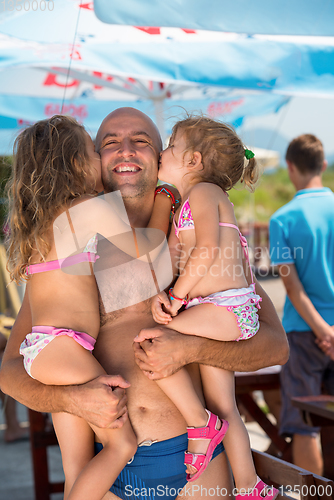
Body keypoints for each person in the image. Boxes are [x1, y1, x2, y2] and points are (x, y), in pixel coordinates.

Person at [0, 107, 288, 500]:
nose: (126, 150)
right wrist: (69, 399)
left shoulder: (200, 234)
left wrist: (192, 348)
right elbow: (12, 370)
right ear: (90, 161)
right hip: (105, 467)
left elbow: (275, 345)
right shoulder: (64, 246)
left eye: (142, 140)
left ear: (161, 156)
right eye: (109, 143)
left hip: (195, 462)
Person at [4, 114, 170, 500]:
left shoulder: (45, 220)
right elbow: (150, 255)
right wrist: (168, 195)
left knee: (77, 467)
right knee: (120, 445)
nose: (104, 158)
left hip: (48, 349)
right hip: (65, 347)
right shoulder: (87, 208)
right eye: (97, 151)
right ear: (79, 163)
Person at [134, 116, 278, 499]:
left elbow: (208, 250)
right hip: (215, 310)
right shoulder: (185, 203)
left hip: (226, 309)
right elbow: (174, 255)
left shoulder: (205, 193)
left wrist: (178, 297)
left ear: (194, 160)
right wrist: (162, 291)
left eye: (170, 146)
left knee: (152, 342)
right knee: (223, 405)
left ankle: (200, 425)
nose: (162, 153)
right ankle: (250, 487)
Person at [269, 134, 334, 475]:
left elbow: (291, 287)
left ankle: (317, 497)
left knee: (304, 424)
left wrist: (323, 331)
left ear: (290, 167)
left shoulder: (282, 220)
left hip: (303, 333)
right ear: (323, 165)